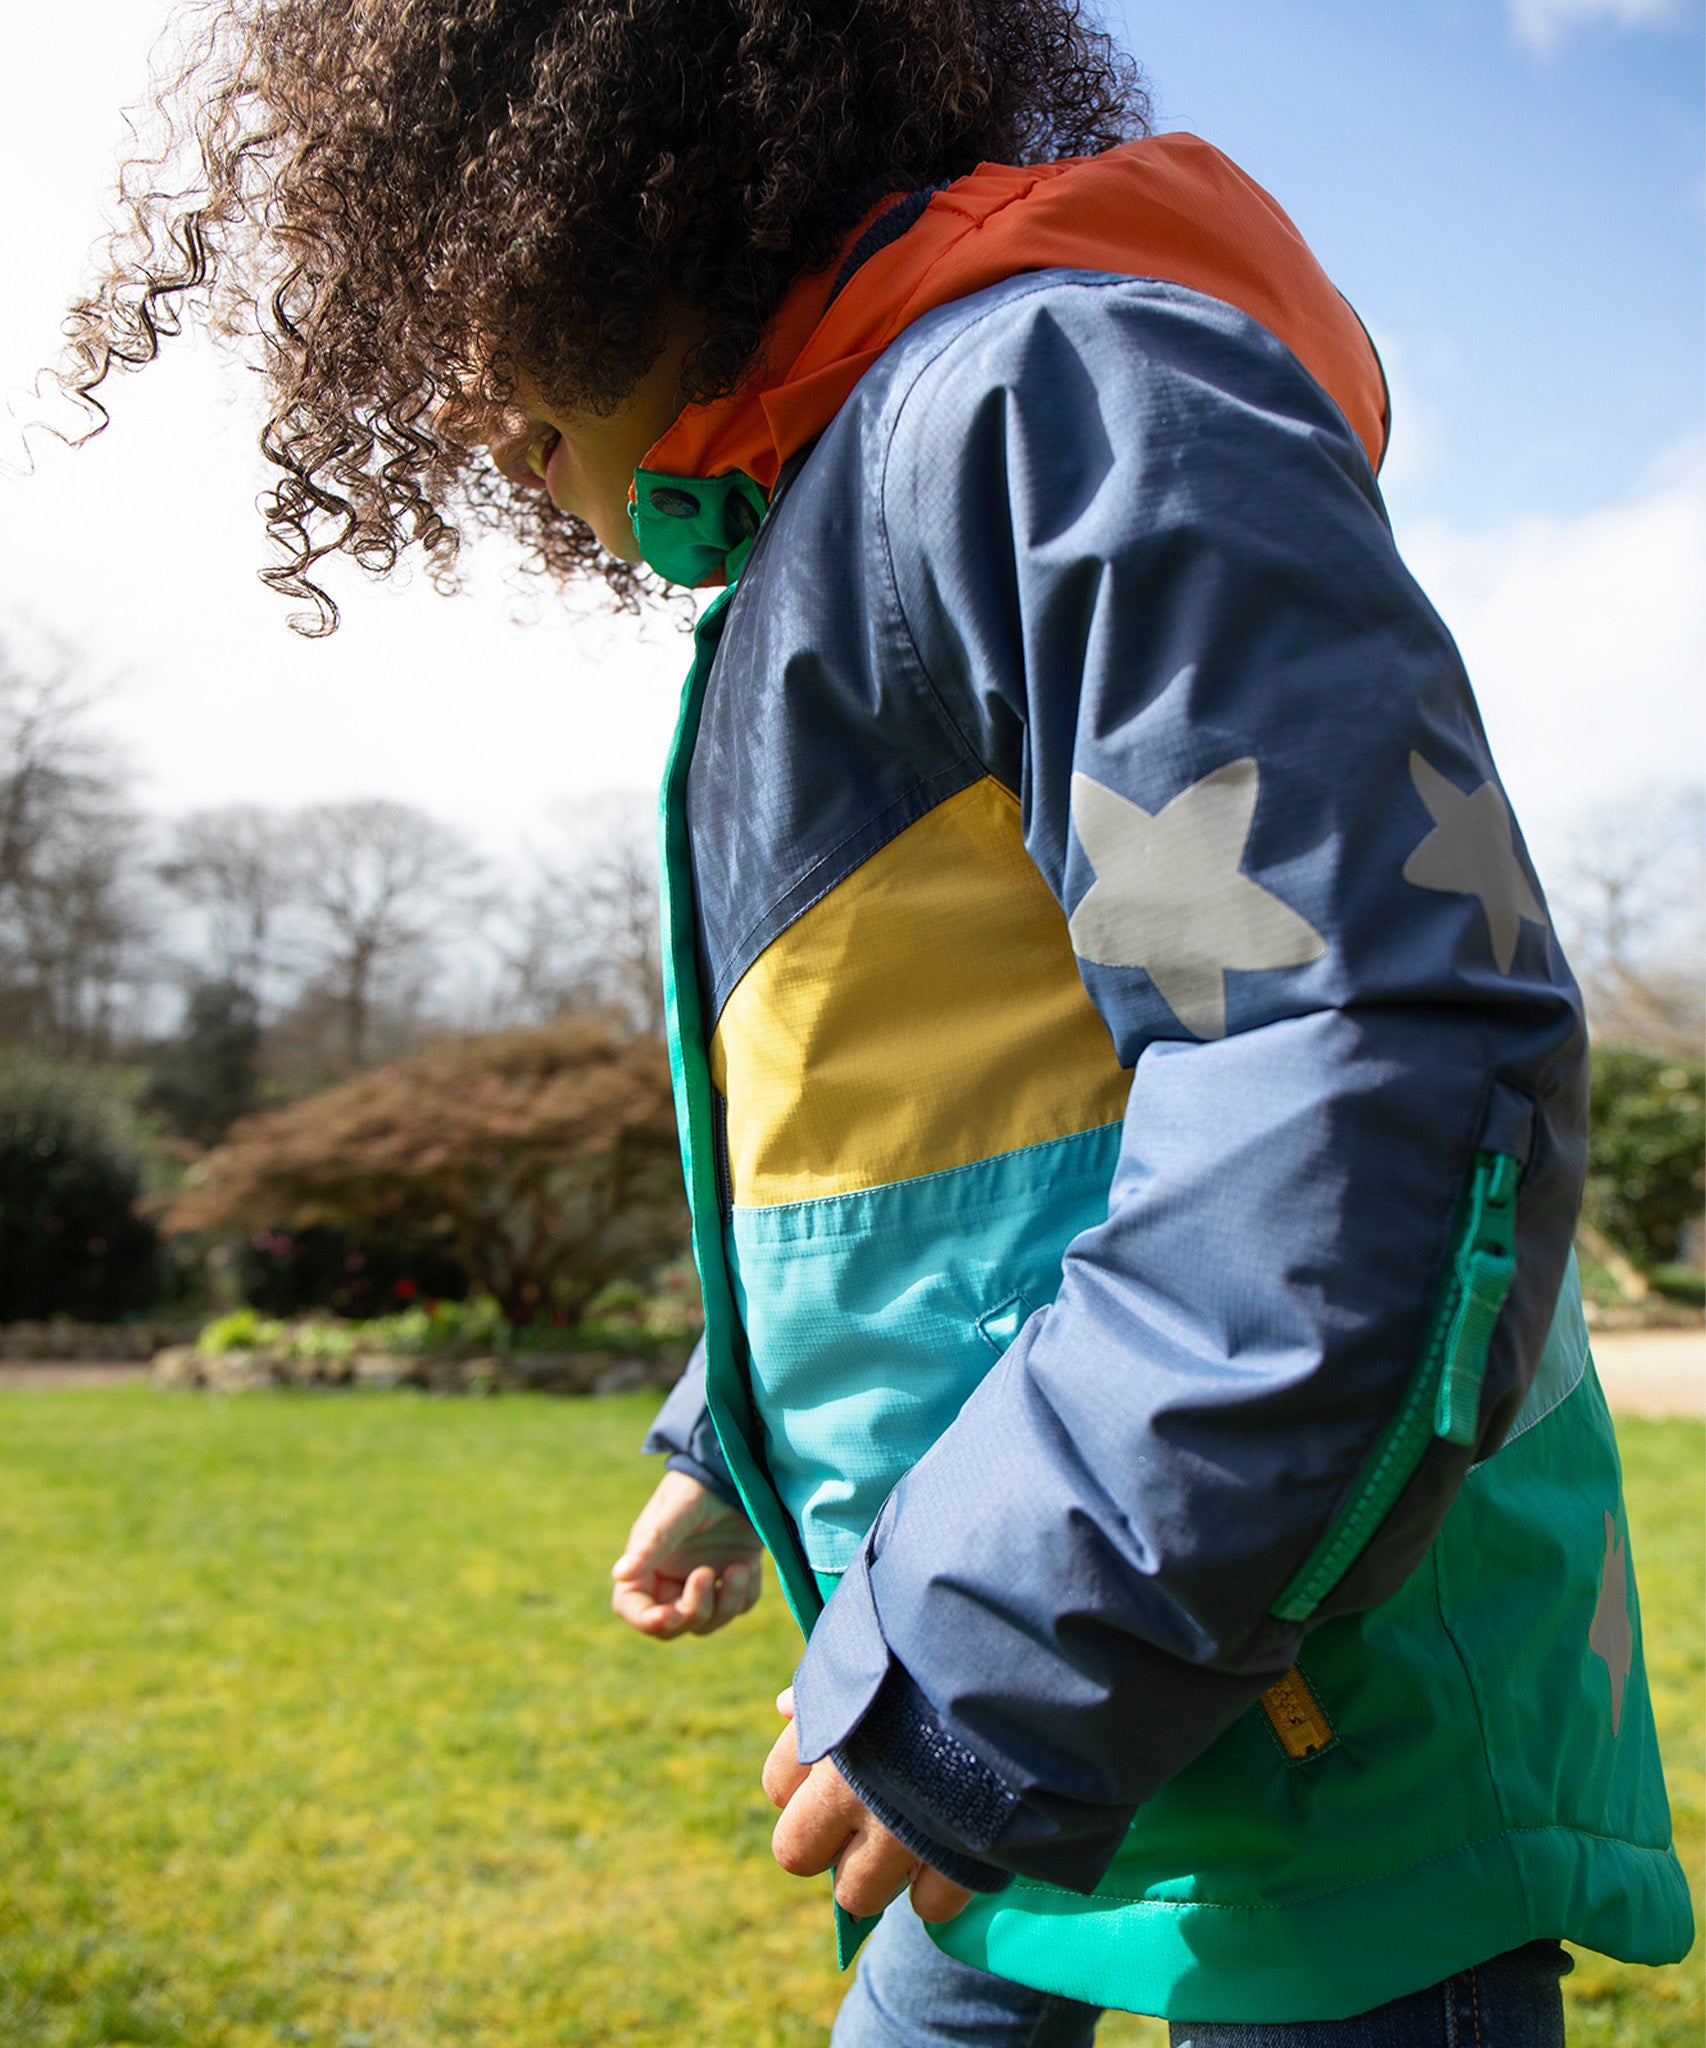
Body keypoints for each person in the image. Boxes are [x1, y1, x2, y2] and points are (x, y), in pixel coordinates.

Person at [61, 4, 1692, 2042]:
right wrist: (729, 1429)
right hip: (1010, 1657)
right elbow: (940, 1118)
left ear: (602, 164)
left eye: (455, 280)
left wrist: (995, 1646)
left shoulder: (1057, 397)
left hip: (1289, 1691)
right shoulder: (814, 537)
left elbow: (1348, 1051)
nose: (463, 395)